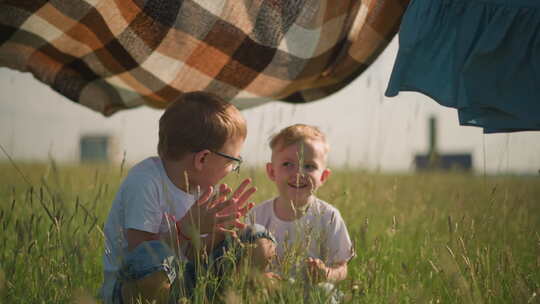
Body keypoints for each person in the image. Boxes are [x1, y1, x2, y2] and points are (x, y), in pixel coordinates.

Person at [100, 91, 275, 304]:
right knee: (153, 258)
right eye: (232, 161)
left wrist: (218, 234)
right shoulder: (145, 181)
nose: (232, 169)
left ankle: (227, 296)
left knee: (256, 239)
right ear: (202, 159)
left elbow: (193, 255)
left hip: (183, 285)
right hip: (136, 288)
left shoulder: (201, 188)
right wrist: (185, 229)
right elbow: (143, 258)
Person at [247, 124, 354, 287]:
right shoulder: (258, 215)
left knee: (324, 291)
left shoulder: (328, 216)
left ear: (323, 176)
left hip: (311, 289)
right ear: (271, 172)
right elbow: (245, 262)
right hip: (270, 289)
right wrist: (259, 277)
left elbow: (342, 266)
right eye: (287, 164)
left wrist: (326, 273)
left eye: (309, 166)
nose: (298, 173)